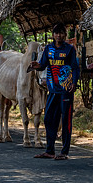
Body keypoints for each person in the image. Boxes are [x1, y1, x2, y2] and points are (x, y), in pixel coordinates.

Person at [29, 23, 80, 160]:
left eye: (61, 33)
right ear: (53, 35)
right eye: (56, 33)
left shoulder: (70, 49)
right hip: (52, 90)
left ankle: (64, 152)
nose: (59, 35)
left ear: (65, 35)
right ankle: (50, 151)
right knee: (48, 119)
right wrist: (36, 65)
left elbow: (75, 67)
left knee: (66, 121)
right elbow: (43, 65)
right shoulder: (48, 49)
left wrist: (74, 83)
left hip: (65, 90)